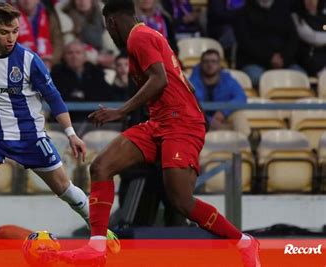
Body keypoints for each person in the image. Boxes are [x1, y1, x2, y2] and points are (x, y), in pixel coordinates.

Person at [56, 0, 261, 266]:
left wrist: (122, 112)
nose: (110, 34)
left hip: (180, 124)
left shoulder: (140, 37)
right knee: (101, 167)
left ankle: (245, 242)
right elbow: (181, 82)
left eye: (108, 29)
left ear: (111, 23)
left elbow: (160, 78)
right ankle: (96, 248)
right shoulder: (148, 37)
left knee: (181, 201)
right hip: (160, 121)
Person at [0, 3, 117, 267]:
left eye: (15, 31)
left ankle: (102, 233)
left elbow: (53, 98)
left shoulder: (29, 60)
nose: (11, 38)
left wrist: (70, 134)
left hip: (30, 137)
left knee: (65, 190)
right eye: (4, 32)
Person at [189, 49, 250, 136]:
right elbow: (192, 105)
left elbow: (241, 97)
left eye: (213, 61)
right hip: (201, 121)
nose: (210, 65)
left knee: (239, 115)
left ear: (219, 65)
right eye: (206, 61)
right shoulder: (193, 81)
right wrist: (209, 120)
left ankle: (245, 147)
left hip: (223, 118)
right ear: (201, 64)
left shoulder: (227, 79)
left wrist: (222, 112)